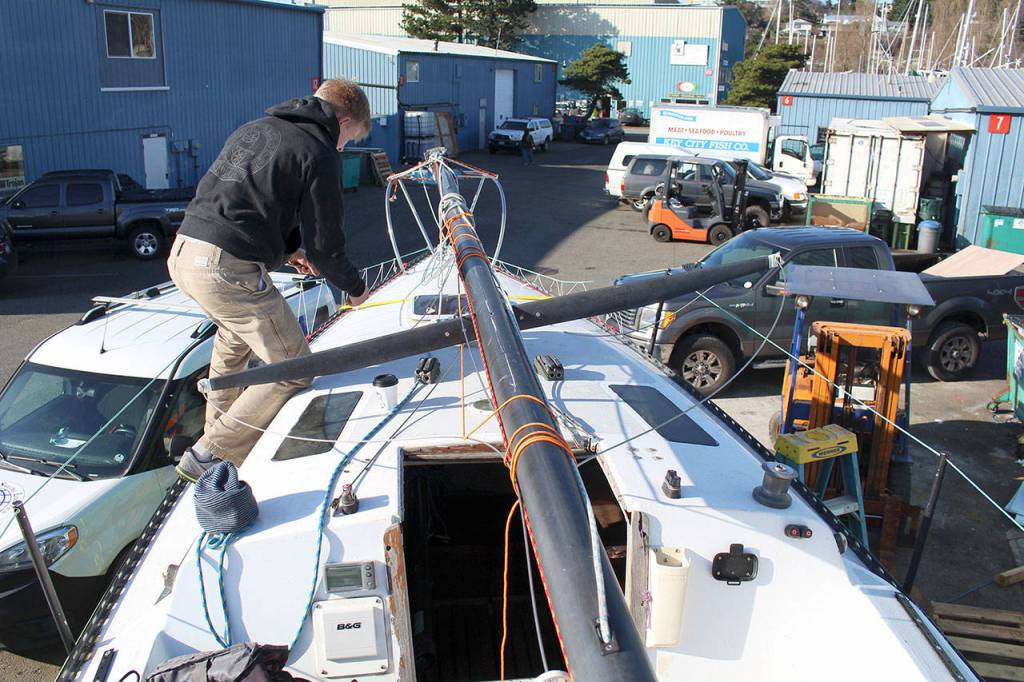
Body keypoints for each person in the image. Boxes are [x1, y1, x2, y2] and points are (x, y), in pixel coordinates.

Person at [167, 79, 372, 482]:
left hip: (184, 251)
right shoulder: (320, 150)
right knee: (294, 366)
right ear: (343, 120)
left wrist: (290, 251)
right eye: (350, 136)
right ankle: (211, 453)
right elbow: (326, 245)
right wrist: (356, 288)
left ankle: (218, 430)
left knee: (234, 338)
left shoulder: (256, 128)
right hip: (225, 267)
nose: (344, 146)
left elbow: (248, 204)